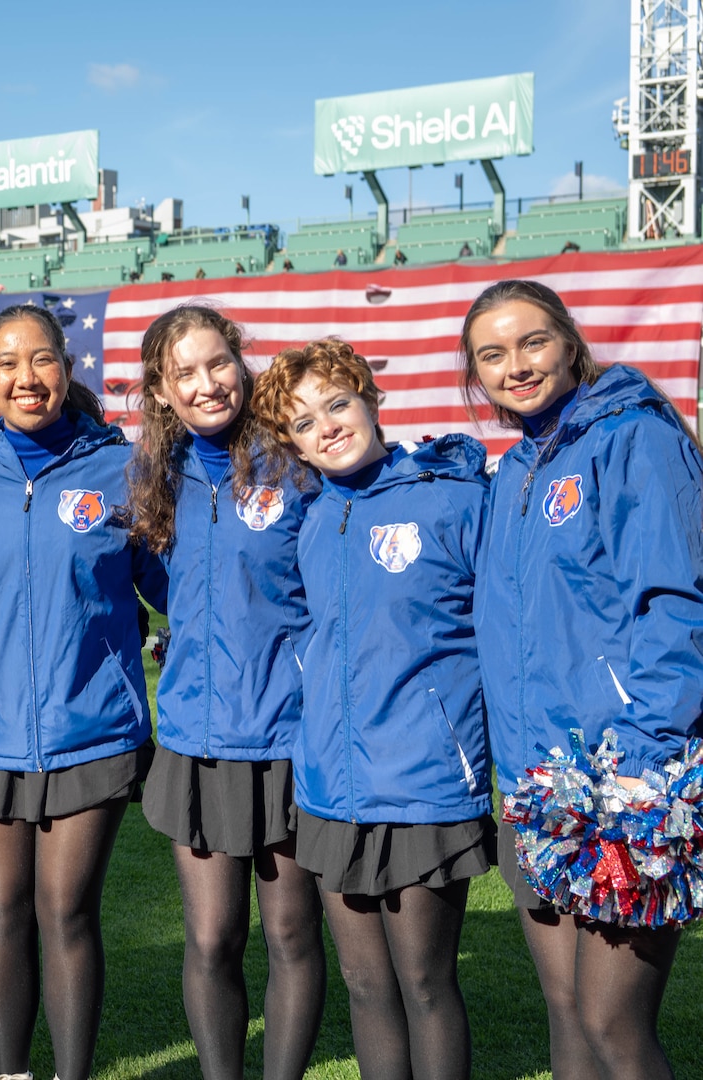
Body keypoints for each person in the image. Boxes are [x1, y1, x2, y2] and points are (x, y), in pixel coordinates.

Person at [462, 279, 700, 1080]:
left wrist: (643, 764)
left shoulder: (635, 438)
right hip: (537, 784)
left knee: (612, 1023)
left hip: (626, 780)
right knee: (567, 1014)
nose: (516, 366)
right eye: (491, 355)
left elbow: (675, 604)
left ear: (568, 341)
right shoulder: (515, 466)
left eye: (532, 342)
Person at [0, 304, 167, 1080]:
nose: (25, 378)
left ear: (67, 366)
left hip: (92, 728)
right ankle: (11, 1074)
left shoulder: (121, 466)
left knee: (65, 912)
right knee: (0, 912)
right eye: (6, 363)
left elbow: (175, 588)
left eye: (41, 360)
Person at [250, 340, 492, 1080]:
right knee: (364, 984)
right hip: (330, 789)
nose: (324, 427)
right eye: (301, 423)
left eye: (335, 404)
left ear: (367, 398)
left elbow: (503, 634)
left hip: (423, 785)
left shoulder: (451, 498)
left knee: (424, 984)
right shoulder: (316, 518)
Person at [127, 306, 325, 1080]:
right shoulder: (154, 475)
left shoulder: (293, 461)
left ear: (242, 363)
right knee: (211, 938)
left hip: (287, 735)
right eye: (186, 373)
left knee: (290, 935)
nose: (208, 384)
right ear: (162, 389)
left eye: (219, 364)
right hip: (195, 740)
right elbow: (155, 585)